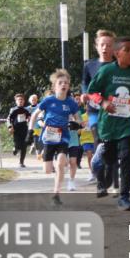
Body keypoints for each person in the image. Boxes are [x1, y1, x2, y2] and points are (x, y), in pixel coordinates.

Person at [86, 36, 130, 211]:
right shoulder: (107, 71)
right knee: (110, 159)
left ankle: (124, 197)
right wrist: (104, 103)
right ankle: (103, 175)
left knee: (127, 158)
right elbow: (92, 92)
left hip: (128, 124)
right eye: (127, 50)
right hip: (108, 125)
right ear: (117, 53)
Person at [29, 70, 83, 206]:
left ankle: (56, 194)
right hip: (48, 138)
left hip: (63, 138)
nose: (63, 85)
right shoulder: (49, 100)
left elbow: (79, 118)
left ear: (68, 86)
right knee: (47, 170)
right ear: (55, 86)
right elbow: (35, 114)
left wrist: (76, 124)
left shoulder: (71, 103)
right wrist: (30, 131)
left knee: (60, 164)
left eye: (66, 83)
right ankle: (47, 161)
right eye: (60, 83)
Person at [83, 30, 116, 186]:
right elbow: (85, 84)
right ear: (97, 46)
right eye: (102, 44)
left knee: (112, 141)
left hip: (114, 109)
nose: (105, 48)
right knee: (98, 137)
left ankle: (113, 171)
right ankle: (98, 171)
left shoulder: (119, 65)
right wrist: (84, 95)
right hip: (95, 108)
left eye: (109, 45)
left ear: (113, 47)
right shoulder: (89, 65)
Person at [6, 93, 32, 168]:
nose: (20, 101)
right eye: (19, 100)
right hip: (16, 130)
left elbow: (29, 117)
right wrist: (10, 127)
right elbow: (8, 119)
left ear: (24, 101)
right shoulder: (13, 110)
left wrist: (29, 119)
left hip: (24, 129)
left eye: (22, 100)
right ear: (16, 101)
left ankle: (21, 162)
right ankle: (16, 148)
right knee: (17, 144)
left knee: (24, 146)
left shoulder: (26, 109)